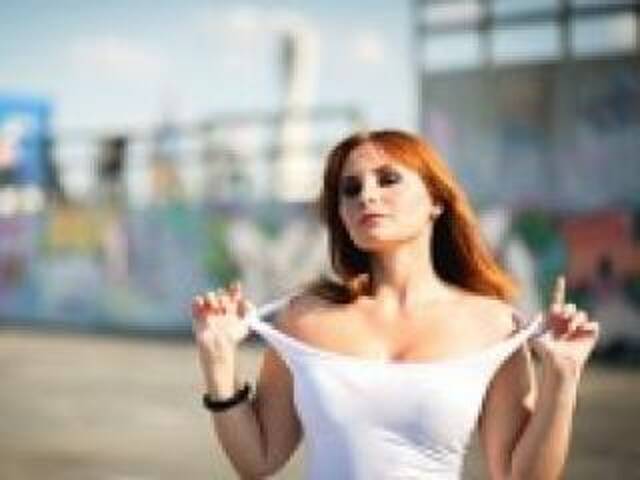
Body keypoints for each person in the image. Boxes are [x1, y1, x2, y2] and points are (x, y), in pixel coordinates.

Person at [191, 130, 599, 480]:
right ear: (341, 215)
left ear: (436, 200)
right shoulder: (303, 318)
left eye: (388, 180)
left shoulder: (494, 325)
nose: (367, 195)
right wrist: (218, 359)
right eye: (351, 189)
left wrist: (563, 377)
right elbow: (257, 460)